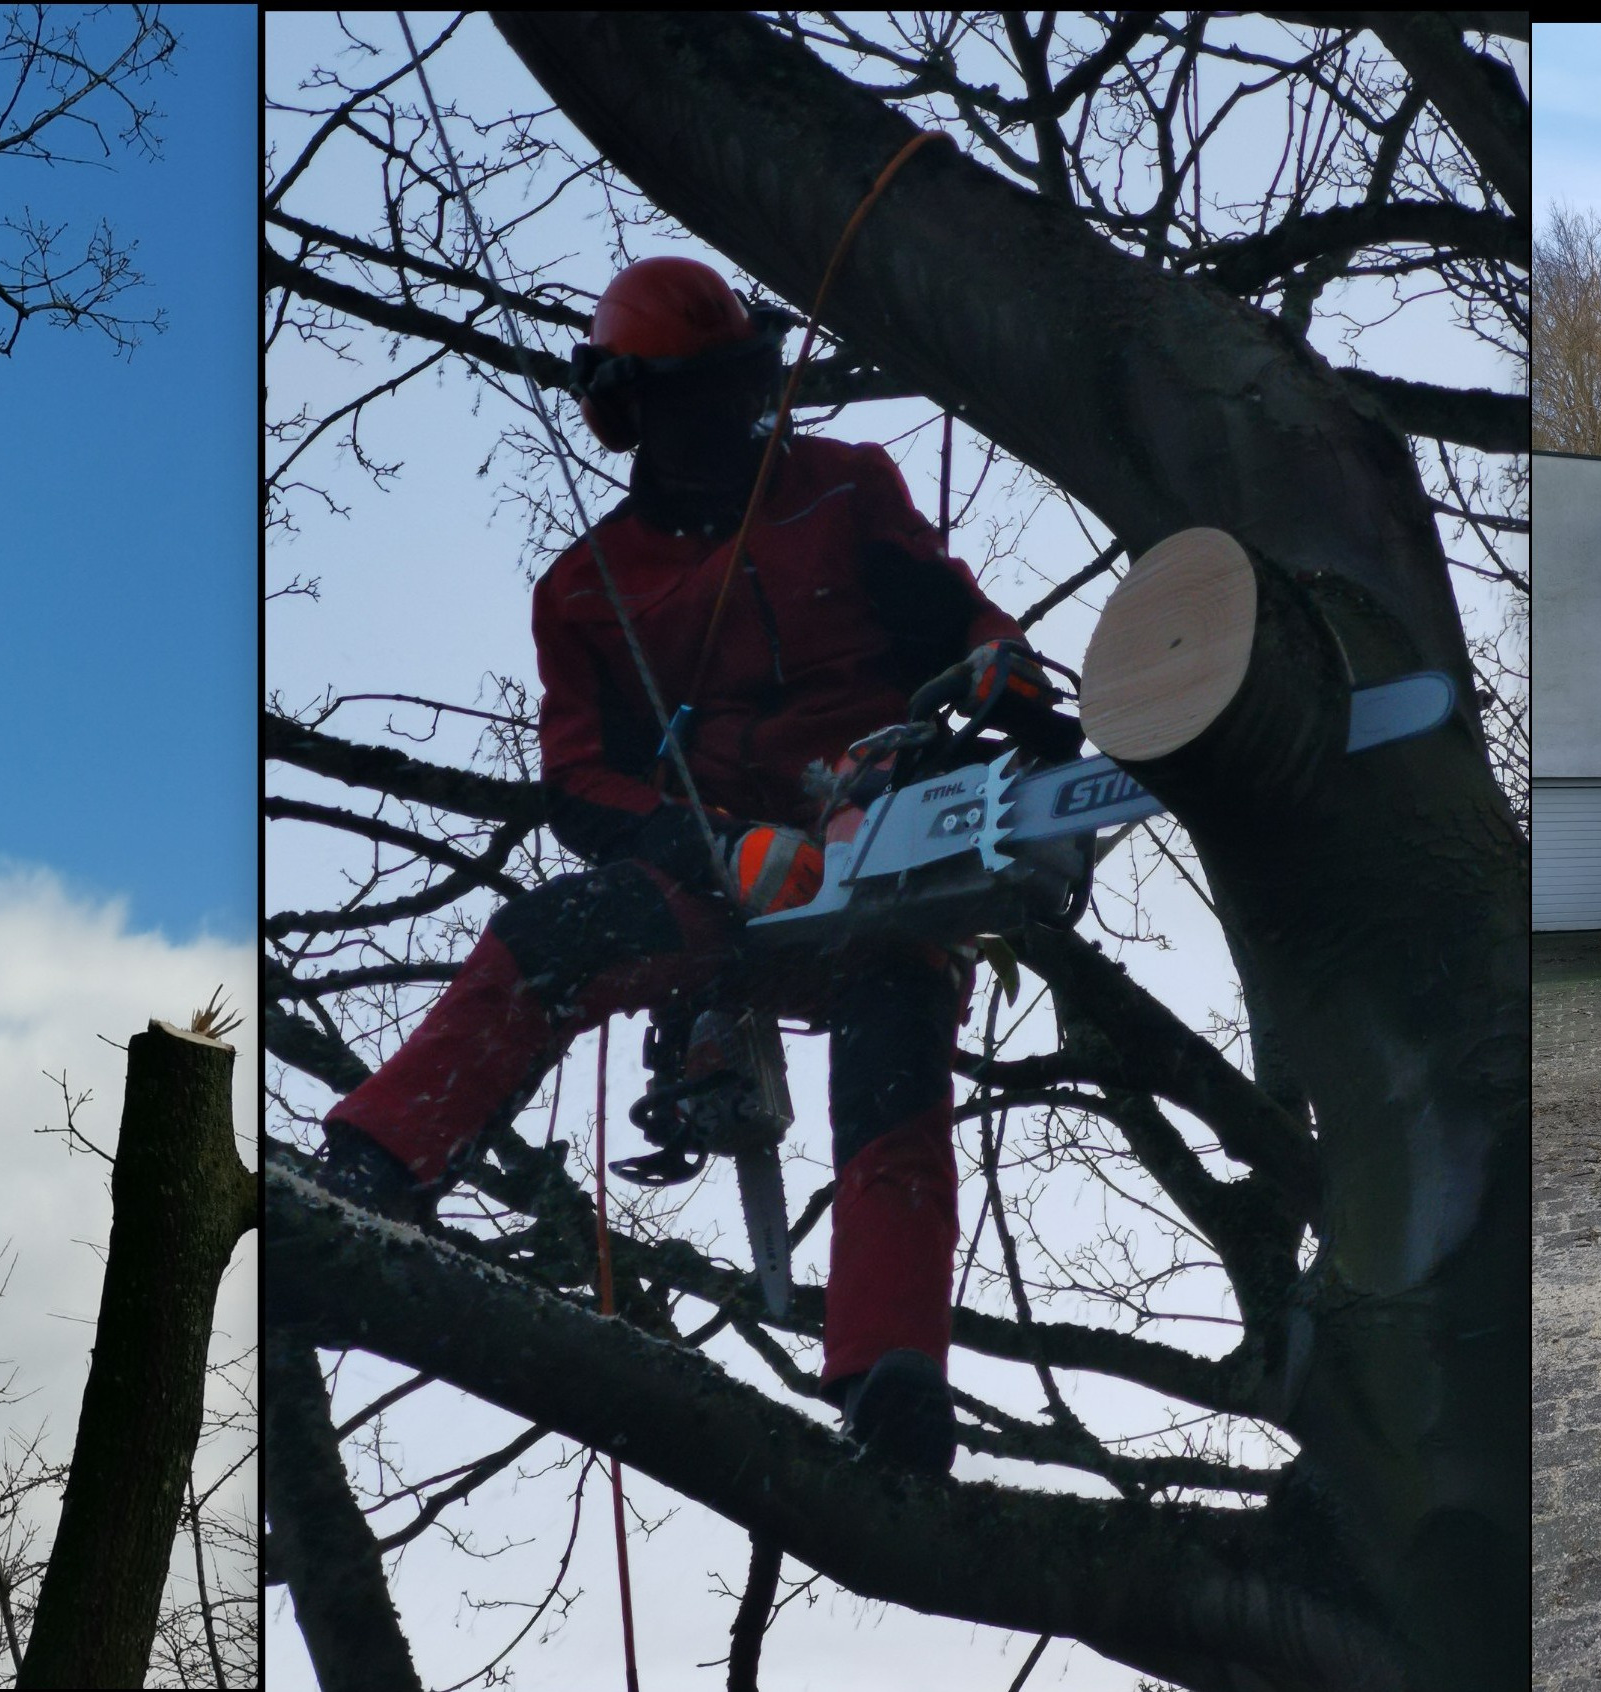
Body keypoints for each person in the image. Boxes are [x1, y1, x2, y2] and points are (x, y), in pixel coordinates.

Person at [312, 257, 1053, 1475]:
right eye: (693, 402)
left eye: (734, 394)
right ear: (629, 412)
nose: (724, 425)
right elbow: (578, 781)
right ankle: (373, 1169)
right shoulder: (586, 589)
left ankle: (892, 1380)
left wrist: (998, 664)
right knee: (545, 939)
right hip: (719, 879)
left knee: (894, 1079)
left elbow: (947, 614)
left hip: (882, 844)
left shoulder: (845, 487)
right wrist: (709, 847)